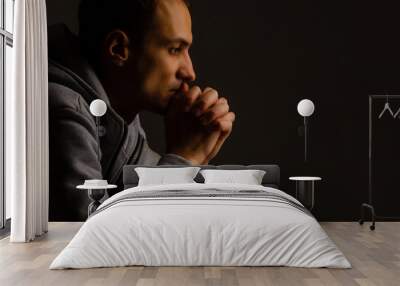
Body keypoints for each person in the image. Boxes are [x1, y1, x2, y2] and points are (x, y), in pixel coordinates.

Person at [48, 0, 235, 221]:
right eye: (174, 50)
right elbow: (99, 237)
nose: (190, 72)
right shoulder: (64, 111)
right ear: (118, 49)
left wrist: (198, 152)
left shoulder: (121, 116)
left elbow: (147, 211)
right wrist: (185, 156)